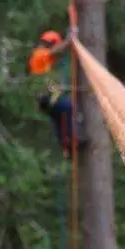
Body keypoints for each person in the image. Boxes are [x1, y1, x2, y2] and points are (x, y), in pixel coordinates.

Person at [27, 28, 83, 158]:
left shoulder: (42, 58)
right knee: (68, 107)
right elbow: (56, 51)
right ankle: (72, 140)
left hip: (45, 97)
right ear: (51, 43)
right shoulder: (39, 54)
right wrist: (70, 39)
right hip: (45, 97)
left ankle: (66, 147)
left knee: (58, 116)